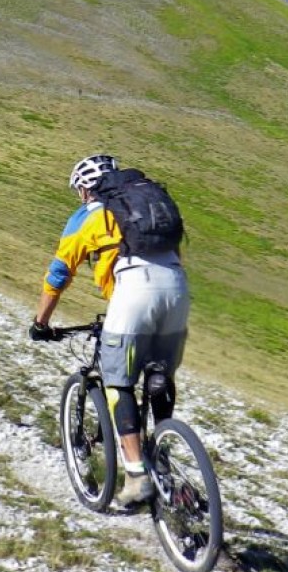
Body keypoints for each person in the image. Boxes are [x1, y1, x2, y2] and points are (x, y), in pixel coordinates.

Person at [30, 153, 189, 506]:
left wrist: (41, 323)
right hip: (177, 289)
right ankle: (163, 456)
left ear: (85, 189)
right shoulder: (149, 206)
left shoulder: (89, 216)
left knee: (118, 382)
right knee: (159, 376)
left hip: (133, 293)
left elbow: (59, 273)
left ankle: (136, 475)